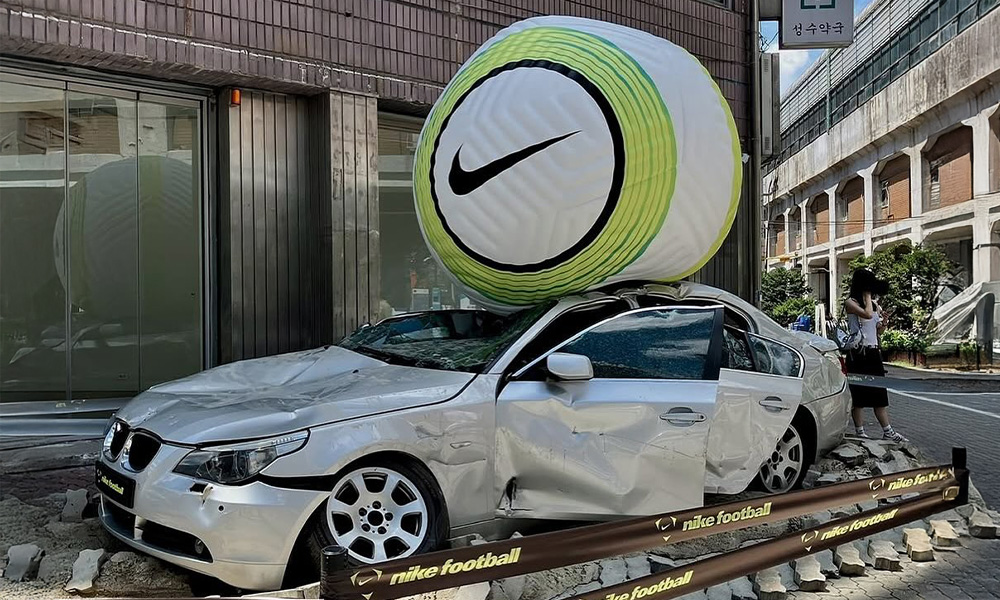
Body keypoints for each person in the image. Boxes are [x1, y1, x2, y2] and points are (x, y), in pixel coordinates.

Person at [843, 268, 907, 442]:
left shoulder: (874, 304)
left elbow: (878, 330)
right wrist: (867, 298)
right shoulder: (851, 302)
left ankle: (888, 431)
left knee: (879, 394)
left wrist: (884, 321)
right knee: (858, 396)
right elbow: (867, 314)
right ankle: (860, 432)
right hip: (858, 353)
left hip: (873, 352)